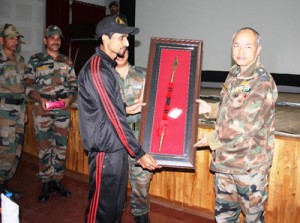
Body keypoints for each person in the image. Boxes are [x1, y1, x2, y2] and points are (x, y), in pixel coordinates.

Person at [77, 15, 161, 223]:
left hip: (117, 149)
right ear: (105, 39)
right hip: (106, 152)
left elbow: (107, 108)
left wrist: (125, 107)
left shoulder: (106, 67)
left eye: (126, 38)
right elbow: (113, 119)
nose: (126, 42)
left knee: (115, 208)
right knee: (101, 211)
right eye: (121, 37)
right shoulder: (98, 70)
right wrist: (139, 153)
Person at [194, 27, 278, 223]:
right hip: (225, 165)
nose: (241, 51)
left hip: (248, 169)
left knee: (253, 219)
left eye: (248, 46)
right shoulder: (233, 74)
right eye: (237, 45)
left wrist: (211, 140)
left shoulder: (262, 82)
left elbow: (244, 126)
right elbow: (230, 108)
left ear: (258, 50)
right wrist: (210, 109)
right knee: (224, 218)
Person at [24, 25, 77, 202]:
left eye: (58, 38)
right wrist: (40, 98)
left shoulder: (67, 61)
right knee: (45, 146)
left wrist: (70, 98)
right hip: (42, 110)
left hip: (62, 110)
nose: (56, 41)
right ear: (45, 40)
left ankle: (57, 181)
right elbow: (27, 85)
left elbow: (74, 85)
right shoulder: (35, 60)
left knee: (61, 148)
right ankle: (46, 182)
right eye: (52, 38)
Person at [115, 49, 152, 223]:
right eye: (117, 50)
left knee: (142, 178)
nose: (121, 53)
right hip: (114, 136)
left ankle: (140, 212)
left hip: (139, 136)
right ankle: (115, 210)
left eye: (124, 49)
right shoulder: (105, 77)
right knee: (115, 177)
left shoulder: (144, 74)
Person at [0, 24, 27, 199]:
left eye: (16, 38)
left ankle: (3, 185)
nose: (15, 41)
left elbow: (23, 89)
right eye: (11, 38)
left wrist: (23, 111)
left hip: (18, 110)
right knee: (4, 150)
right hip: (3, 112)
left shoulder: (20, 60)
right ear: (2, 40)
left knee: (15, 149)